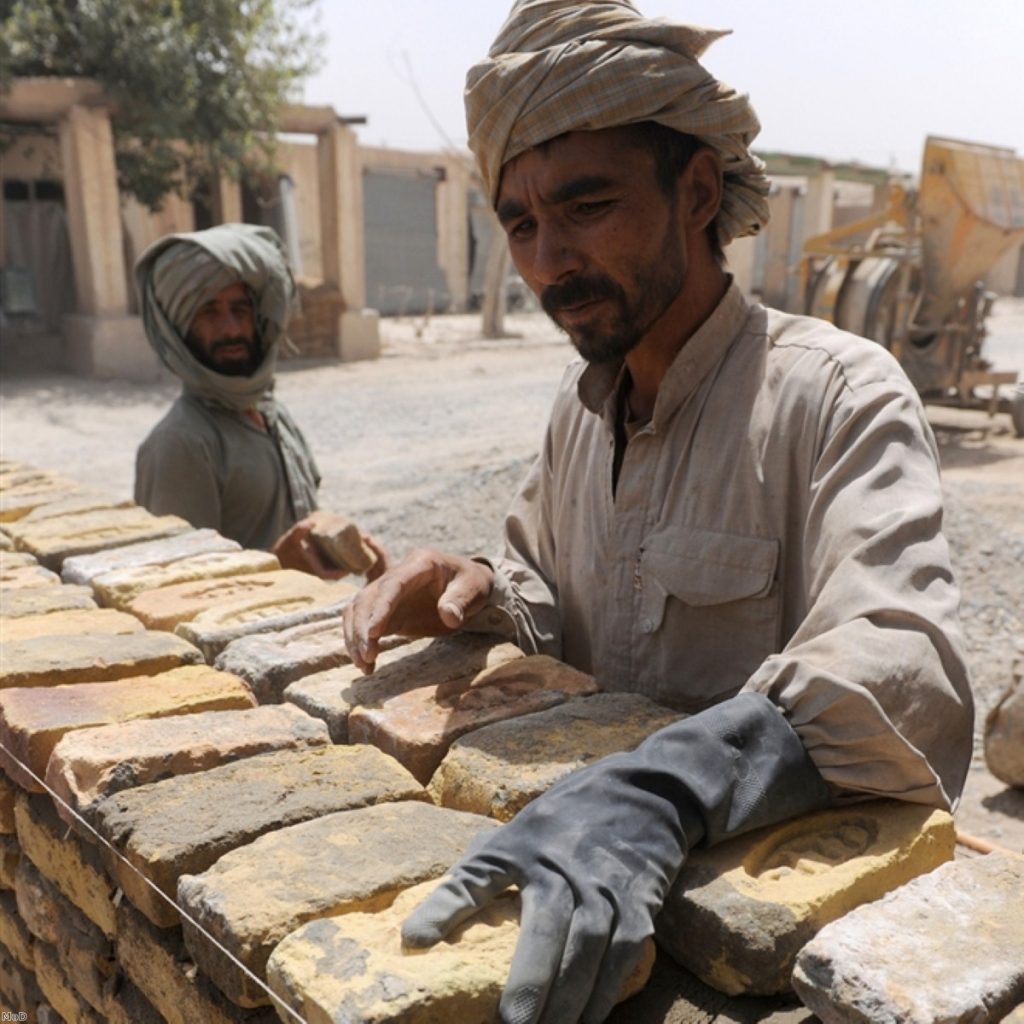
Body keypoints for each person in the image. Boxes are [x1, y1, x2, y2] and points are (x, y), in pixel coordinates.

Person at [343, 2, 974, 1021]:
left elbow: (903, 661)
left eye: (585, 206)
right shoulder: (579, 409)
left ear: (696, 190)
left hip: (761, 955)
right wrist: (473, 592)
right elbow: (558, 599)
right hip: (583, 910)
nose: (548, 260)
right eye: (520, 224)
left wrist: (669, 785)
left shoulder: (835, 394)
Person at [134, 223, 385, 579]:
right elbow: (177, 588)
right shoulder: (180, 445)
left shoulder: (272, 413)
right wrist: (278, 565)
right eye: (209, 312)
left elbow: (297, 525)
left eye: (240, 310)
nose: (232, 329)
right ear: (179, 328)